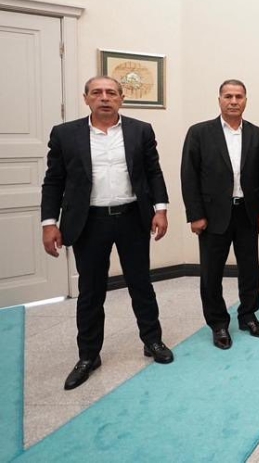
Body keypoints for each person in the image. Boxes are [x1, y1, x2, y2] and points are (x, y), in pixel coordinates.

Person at [41, 76, 174, 390]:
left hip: (132, 218)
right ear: (86, 98)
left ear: (121, 98)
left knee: (141, 284)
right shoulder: (65, 134)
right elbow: (54, 181)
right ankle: (88, 355)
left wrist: (161, 209)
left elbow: (153, 172)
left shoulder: (140, 130)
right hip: (89, 222)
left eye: (111, 93)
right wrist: (49, 223)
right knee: (90, 291)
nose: (104, 97)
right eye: (97, 92)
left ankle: (152, 340)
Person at [181, 79, 259, 350]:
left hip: (247, 212)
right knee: (211, 273)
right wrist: (195, 214)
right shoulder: (200, 133)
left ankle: (248, 316)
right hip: (212, 215)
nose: (233, 101)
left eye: (239, 97)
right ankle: (218, 323)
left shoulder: (256, 134)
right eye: (228, 96)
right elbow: (189, 176)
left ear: (246, 101)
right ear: (219, 100)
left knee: (250, 269)